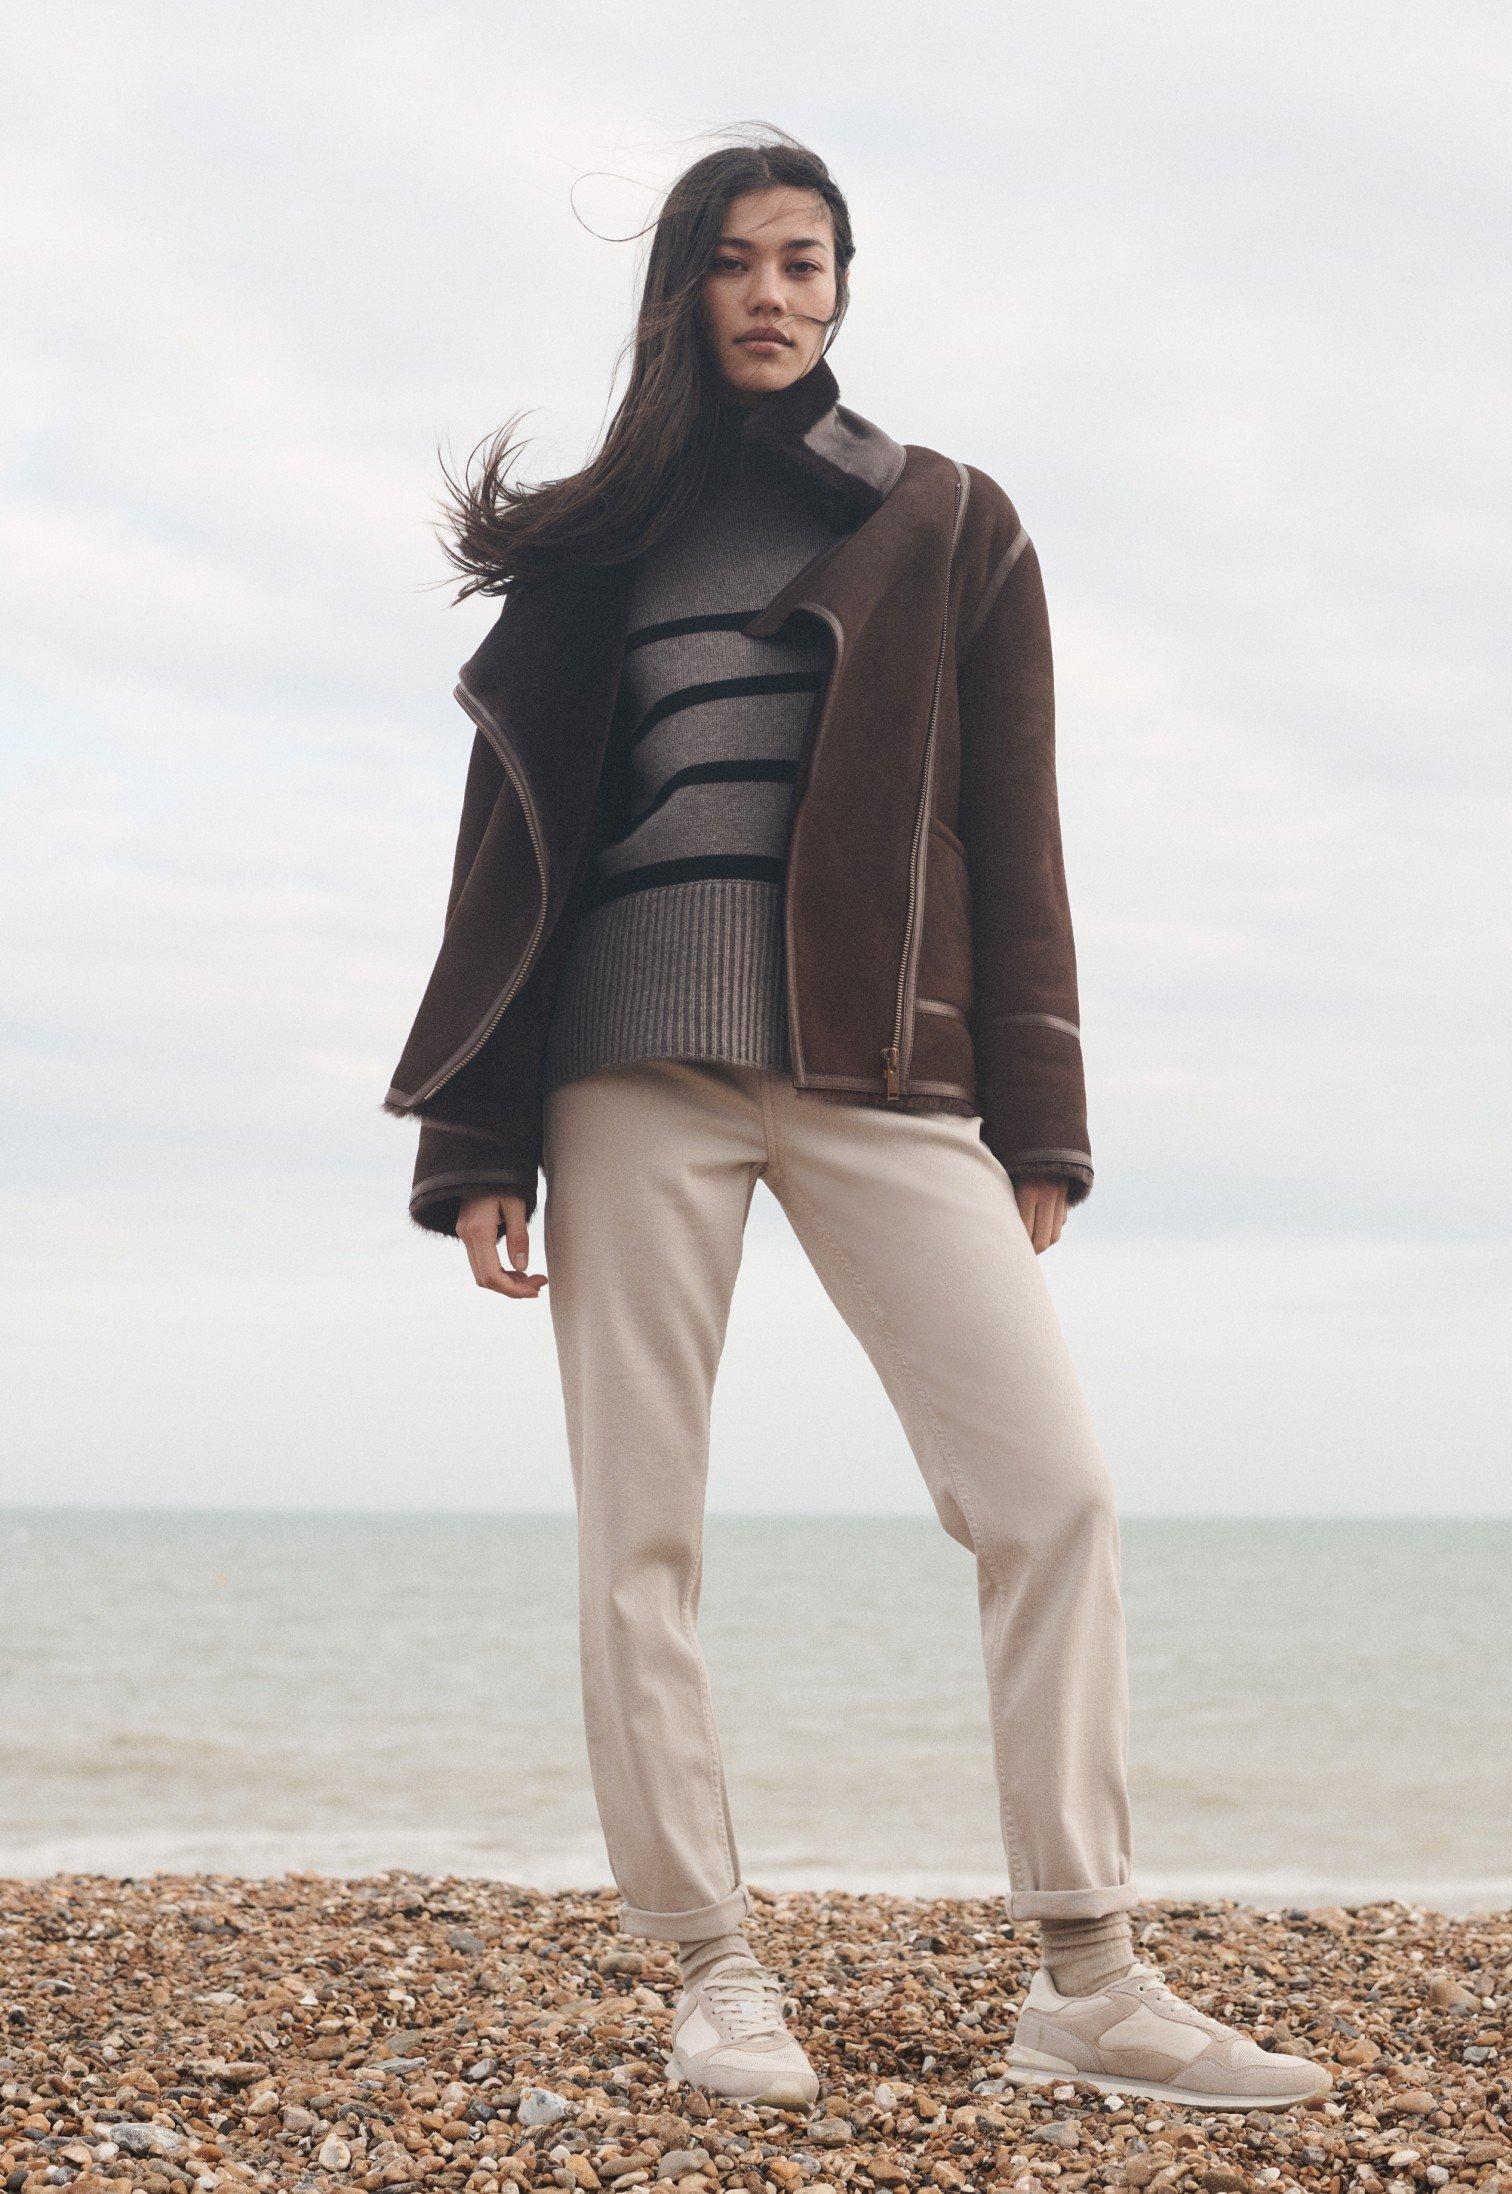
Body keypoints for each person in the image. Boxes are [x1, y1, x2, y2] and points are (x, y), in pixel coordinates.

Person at [385, 129, 1330, 2116]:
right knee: (639, 1531)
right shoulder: (592, 549)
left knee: (1050, 1487)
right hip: (623, 1066)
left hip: (883, 1070)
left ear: (844, 285)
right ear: (682, 289)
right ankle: (714, 1969)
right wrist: (472, 1141)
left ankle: (1089, 1968)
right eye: (738, 261)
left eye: (807, 260)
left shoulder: (949, 521)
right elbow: (509, 855)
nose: (775, 293)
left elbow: (1017, 829)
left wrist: (1043, 1117)